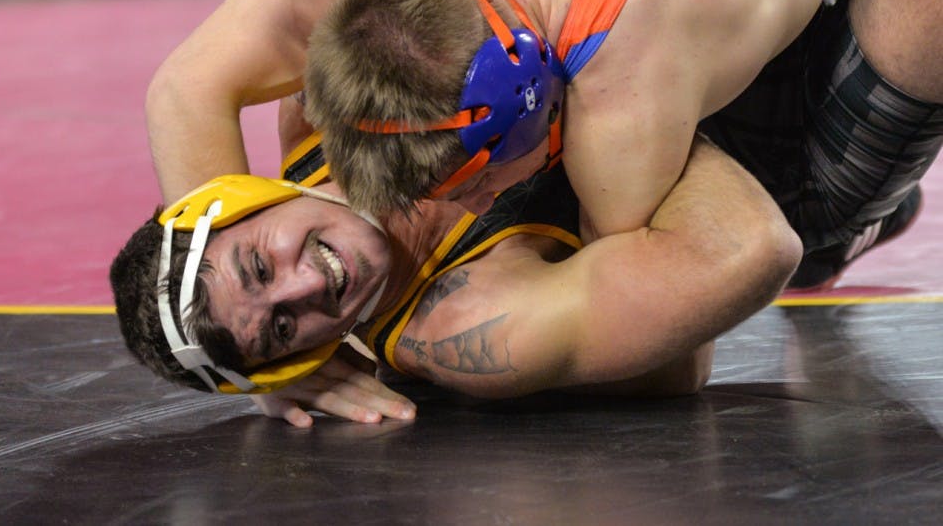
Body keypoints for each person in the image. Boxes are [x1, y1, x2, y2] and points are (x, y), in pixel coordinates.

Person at [148, 0, 942, 299]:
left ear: (524, 123)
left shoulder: (623, 111)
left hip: (782, 20)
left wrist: (501, 328)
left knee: (800, 225)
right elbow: (183, 89)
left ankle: (856, 230)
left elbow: (681, 342)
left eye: (469, 189)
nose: (472, 207)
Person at [112, 112, 800, 427]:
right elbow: (751, 251)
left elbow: (186, 83)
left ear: (245, 197)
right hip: (781, 167)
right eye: (284, 327)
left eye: (260, 264)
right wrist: (618, 85)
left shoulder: (328, 102)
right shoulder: (470, 327)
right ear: (301, 359)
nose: (309, 284)